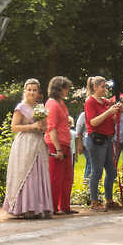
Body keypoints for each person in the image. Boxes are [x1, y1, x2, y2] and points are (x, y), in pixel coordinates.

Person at [3, 79, 53, 218]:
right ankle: (25, 207)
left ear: (38, 92)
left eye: (34, 90)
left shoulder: (40, 107)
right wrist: (31, 126)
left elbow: (44, 127)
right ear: (25, 91)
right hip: (24, 144)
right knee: (26, 174)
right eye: (29, 89)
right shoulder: (21, 107)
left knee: (39, 174)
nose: (31, 92)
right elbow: (14, 127)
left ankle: (39, 207)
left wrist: (43, 126)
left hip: (38, 143)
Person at [82, 77, 123, 211]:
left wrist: (117, 112)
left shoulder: (106, 102)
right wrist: (109, 112)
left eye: (106, 87)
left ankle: (109, 200)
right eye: (102, 87)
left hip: (107, 139)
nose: (105, 89)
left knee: (111, 171)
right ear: (95, 87)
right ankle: (94, 201)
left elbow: (113, 121)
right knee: (97, 171)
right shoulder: (90, 102)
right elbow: (93, 122)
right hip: (96, 140)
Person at [42, 76, 77, 215]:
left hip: (65, 143)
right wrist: (57, 149)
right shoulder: (52, 104)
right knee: (56, 177)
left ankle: (65, 206)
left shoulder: (60, 102)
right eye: (66, 88)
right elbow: (51, 128)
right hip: (56, 145)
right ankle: (53, 206)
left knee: (67, 177)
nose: (67, 91)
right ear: (59, 89)